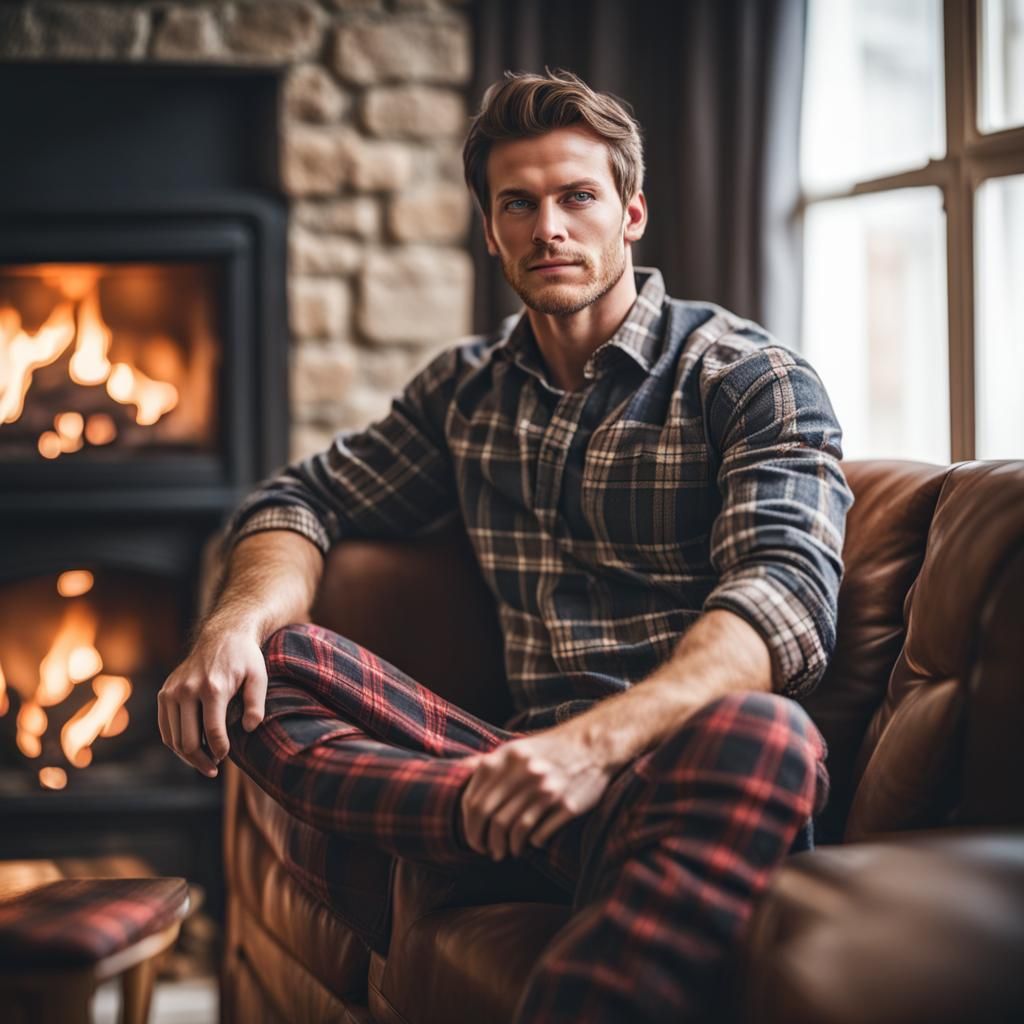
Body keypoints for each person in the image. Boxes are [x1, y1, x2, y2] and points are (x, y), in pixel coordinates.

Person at [158, 69, 852, 1023]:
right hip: (505, 766)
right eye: (518, 204)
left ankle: (488, 836)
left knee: (770, 736)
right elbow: (300, 498)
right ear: (490, 231)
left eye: (577, 198)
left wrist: (586, 750)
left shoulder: (746, 379)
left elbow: (784, 602)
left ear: (632, 215)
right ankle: (497, 818)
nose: (548, 228)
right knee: (271, 666)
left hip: (677, 765)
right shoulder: (467, 393)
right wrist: (229, 626)